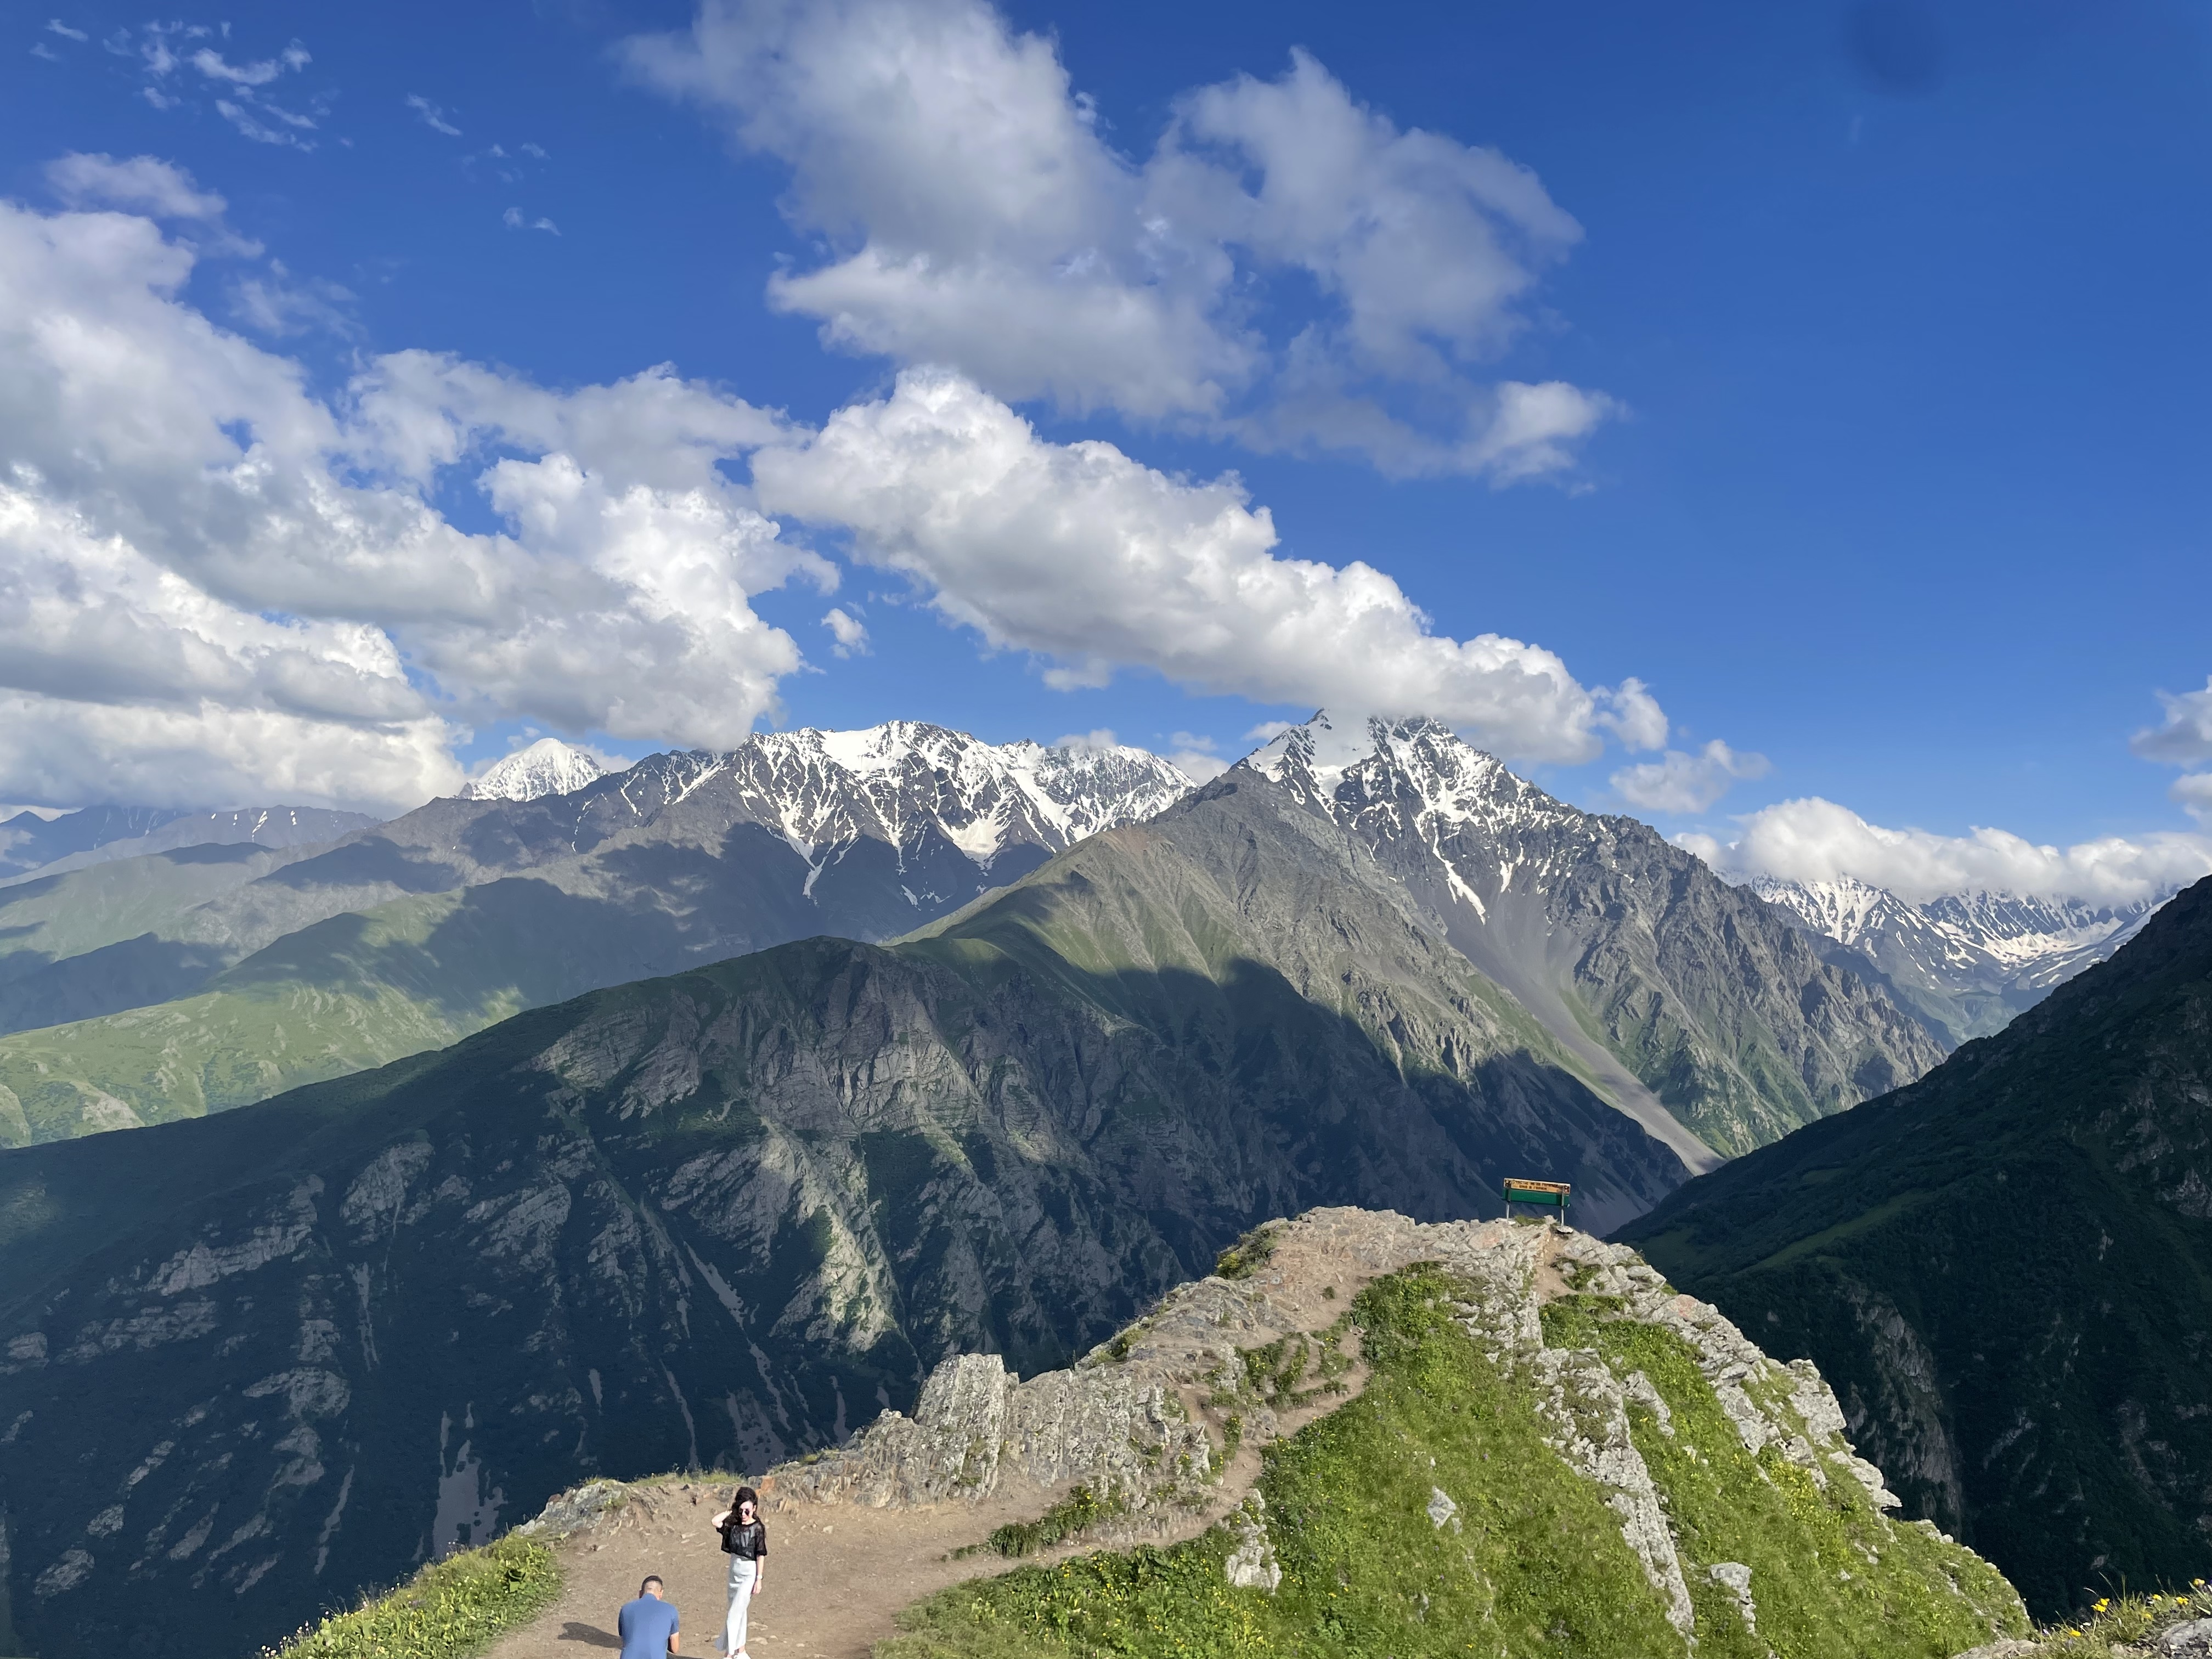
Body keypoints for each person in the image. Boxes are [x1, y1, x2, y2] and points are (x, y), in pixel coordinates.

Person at [709, 1486, 768, 1658]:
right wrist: (732, 1510)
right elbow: (715, 1522)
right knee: (740, 1612)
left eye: (747, 1511)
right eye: (741, 1510)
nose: (744, 1514)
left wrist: (759, 1579)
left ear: (755, 1509)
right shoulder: (733, 1526)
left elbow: (760, 1554)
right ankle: (740, 1651)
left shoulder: (758, 1528)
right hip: (734, 1570)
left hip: (749, 1572)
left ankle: (729, 1653)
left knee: (734, 1613)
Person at [618, 1575, 681, 1659]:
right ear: (661, 1593)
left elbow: (626, 1638)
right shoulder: (671, 1610)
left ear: (640, 1593)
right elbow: (675, 1649)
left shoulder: (626, 1609)